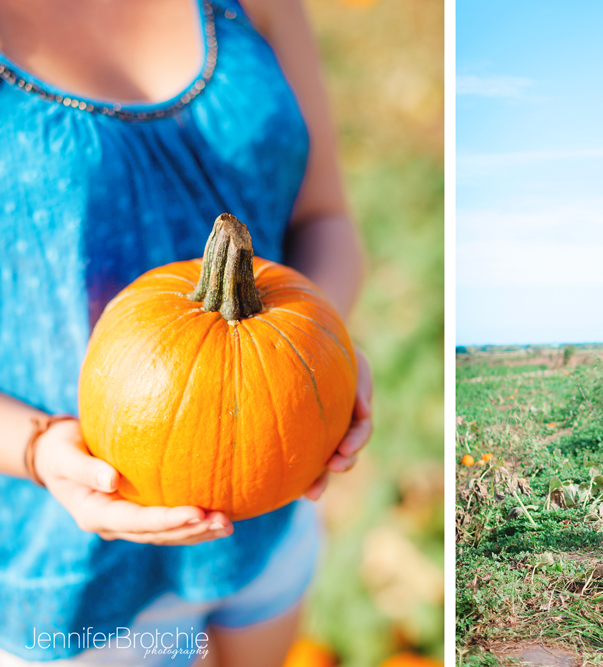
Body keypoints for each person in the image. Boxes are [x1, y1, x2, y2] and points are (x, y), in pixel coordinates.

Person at [0, 0, 373, 663]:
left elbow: (324, 218)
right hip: (72, 563)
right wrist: (34, 448)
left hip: (268, 515)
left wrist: (324, 346)